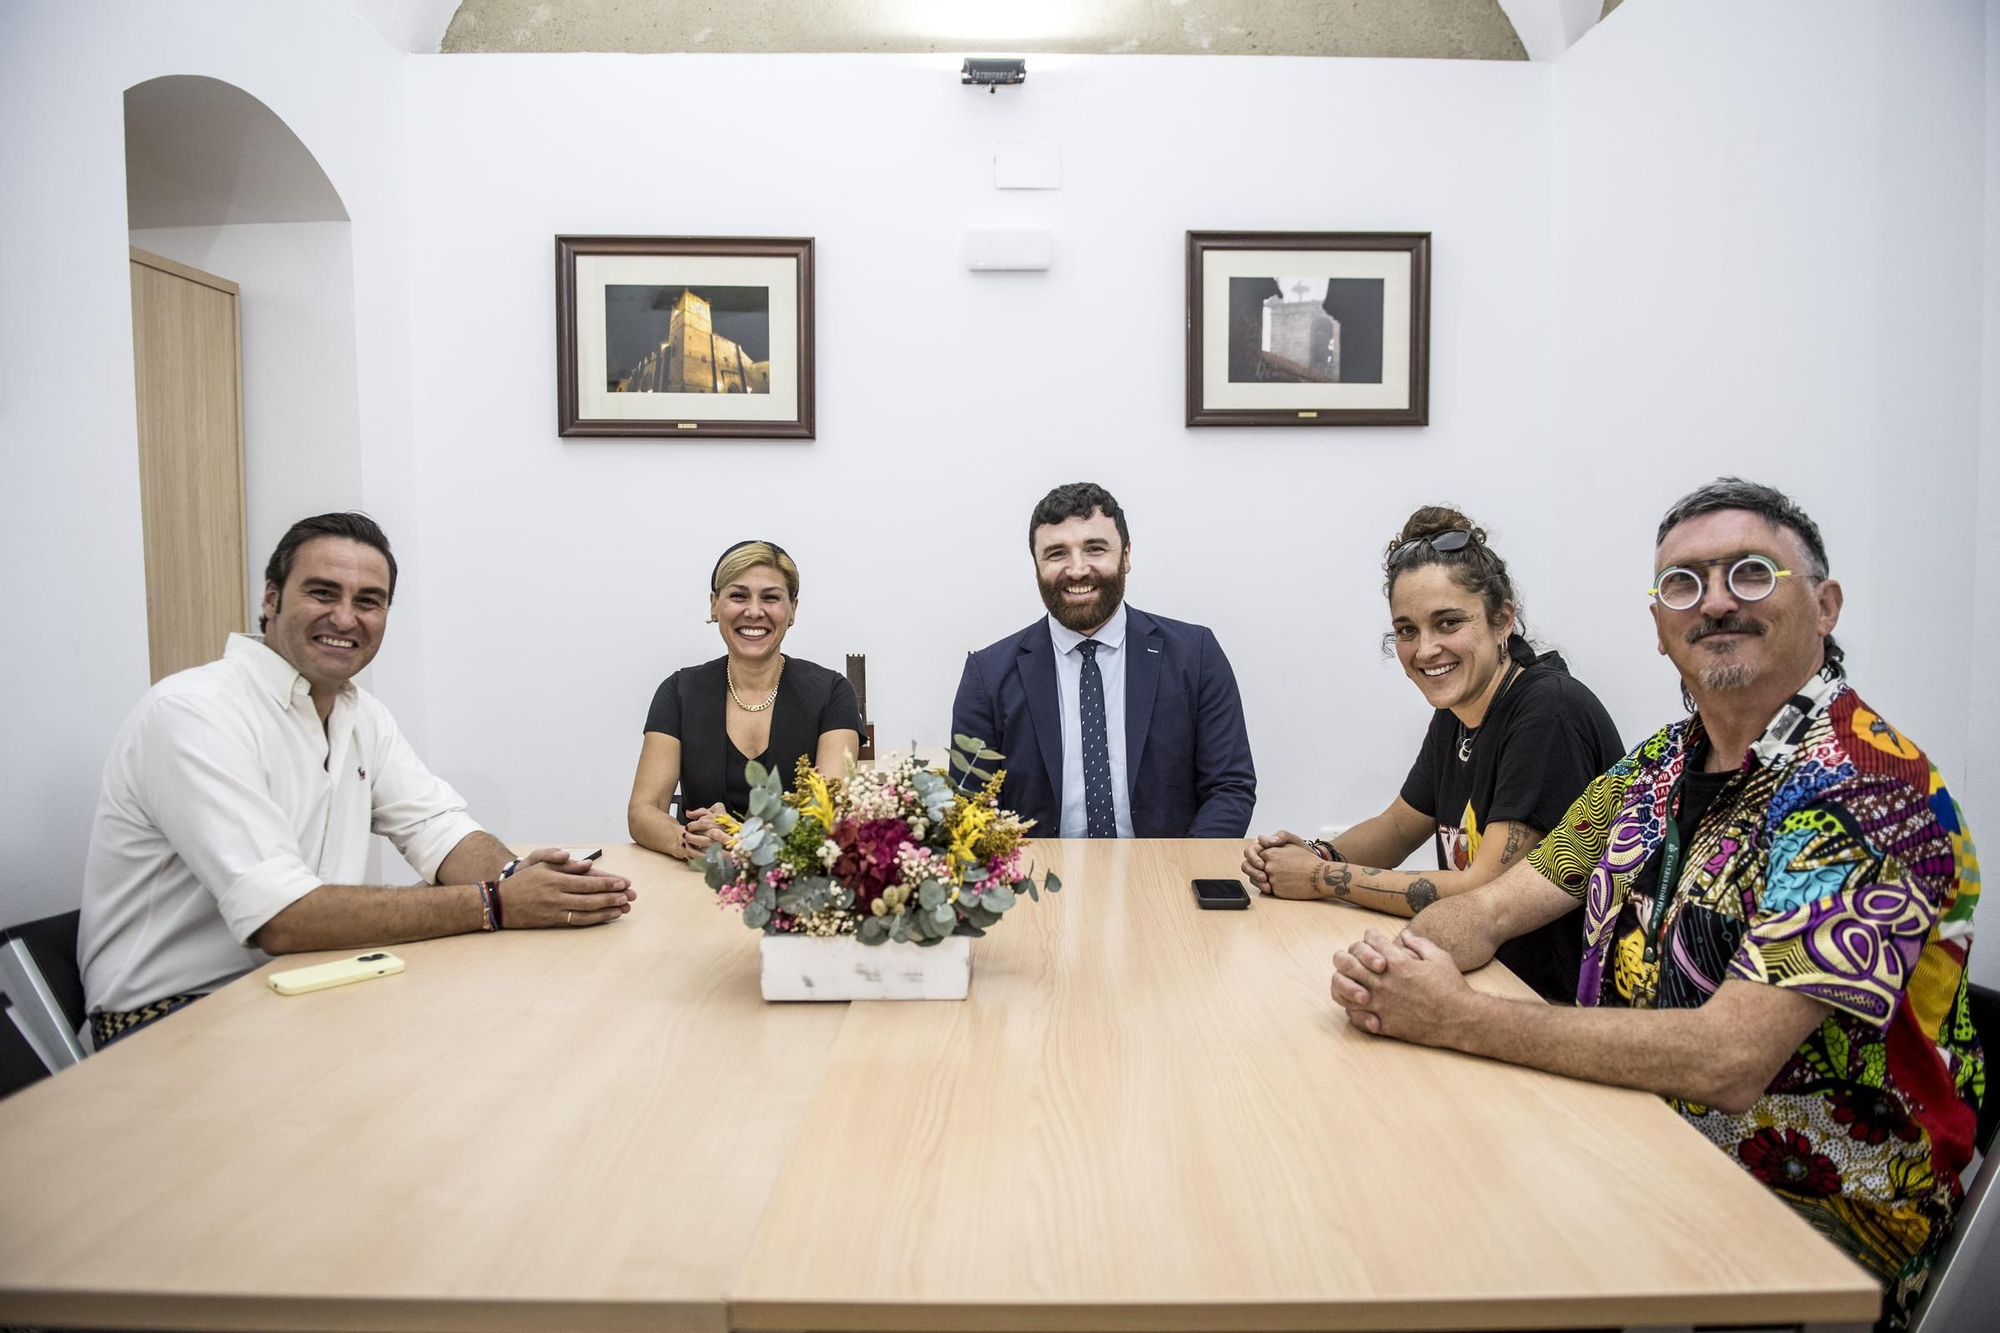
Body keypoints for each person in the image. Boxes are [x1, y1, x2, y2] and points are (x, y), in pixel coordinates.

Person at [1328, 479, 1981, 1330]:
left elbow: (1727, 1060)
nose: (1713, 602)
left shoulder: (1872, 790)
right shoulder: (1657, 768)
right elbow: (1491, 907)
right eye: (1682, 583)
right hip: (1630, 1146)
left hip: (1804, 1232)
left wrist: (1453, 1016)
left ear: (1823, 604)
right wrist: (1400, 967)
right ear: (1659, 623)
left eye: (1750, 573)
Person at [78, 512, 635, 1047]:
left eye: (368, 602)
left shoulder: (358, 714)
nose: (345, 618)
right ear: (270, 599)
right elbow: (282, 917)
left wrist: (524, 880)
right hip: (174, 1018)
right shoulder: (195, 713)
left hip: (313, 989)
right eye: (323, 593)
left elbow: (436, 828)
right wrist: (498, 903)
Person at [1243, 506, 1622, 1003]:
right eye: (1406, 630)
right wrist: (1315, 853)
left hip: (1550, 1003)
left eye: (1448, 623)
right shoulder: (1459, 713)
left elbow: (1485, 889)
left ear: (1503, 618)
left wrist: (1320, 878)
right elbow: (1400, 825)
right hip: (1484, 980)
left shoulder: (1547, 713)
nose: (1425, 650)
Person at [949, 482, 1255, 838]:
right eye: (1056, 554)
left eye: (1095, 549)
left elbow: (1230, 788)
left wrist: (1178, 875)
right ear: (1036, 567)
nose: (1077, 570)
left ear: (1125, 557)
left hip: (1169, 879)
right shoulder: (986, 676)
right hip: (1038, 884)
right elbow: (971, 807)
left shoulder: (1196, 654)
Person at [629, 540, 862, 861]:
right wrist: (685, 840)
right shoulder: (678, 691)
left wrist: (743, 837)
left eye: (771, 598)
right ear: (714, 605)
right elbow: (644, 810)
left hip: (798, 880)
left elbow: (832, 814)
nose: (754, 611)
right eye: (738, 596)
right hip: (700, 880)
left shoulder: (833, 692)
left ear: (793, 609)